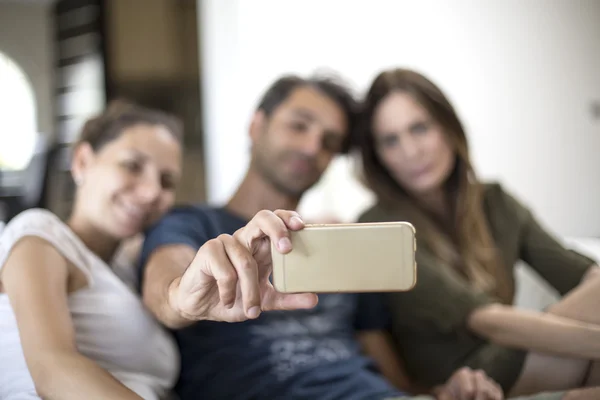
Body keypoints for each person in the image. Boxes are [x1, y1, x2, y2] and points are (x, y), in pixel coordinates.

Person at [138, 73, 504, 400]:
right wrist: (182, 299)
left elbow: (392, 380)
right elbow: (164, 288)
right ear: (256, 125)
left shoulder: (341, 243)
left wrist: (445, 392)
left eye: (329, 141)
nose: (313, 147)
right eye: (299, 126)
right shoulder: (191, 224)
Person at [355, 68, 600, 399]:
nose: (411, 152)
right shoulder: (378, 224)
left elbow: (580, 274)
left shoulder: (494, 201)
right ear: (379, 157)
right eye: (391, 140)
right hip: (466, 377)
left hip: (524, 354)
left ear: (448, 127)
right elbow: (487, 321)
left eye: (420, 128)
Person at [0, 101, 184, 399]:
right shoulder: (38, 236)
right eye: (132, 165)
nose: (151, 192)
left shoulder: (124, 269)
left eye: (166, 181)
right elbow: (52, 370)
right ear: (83, 161)